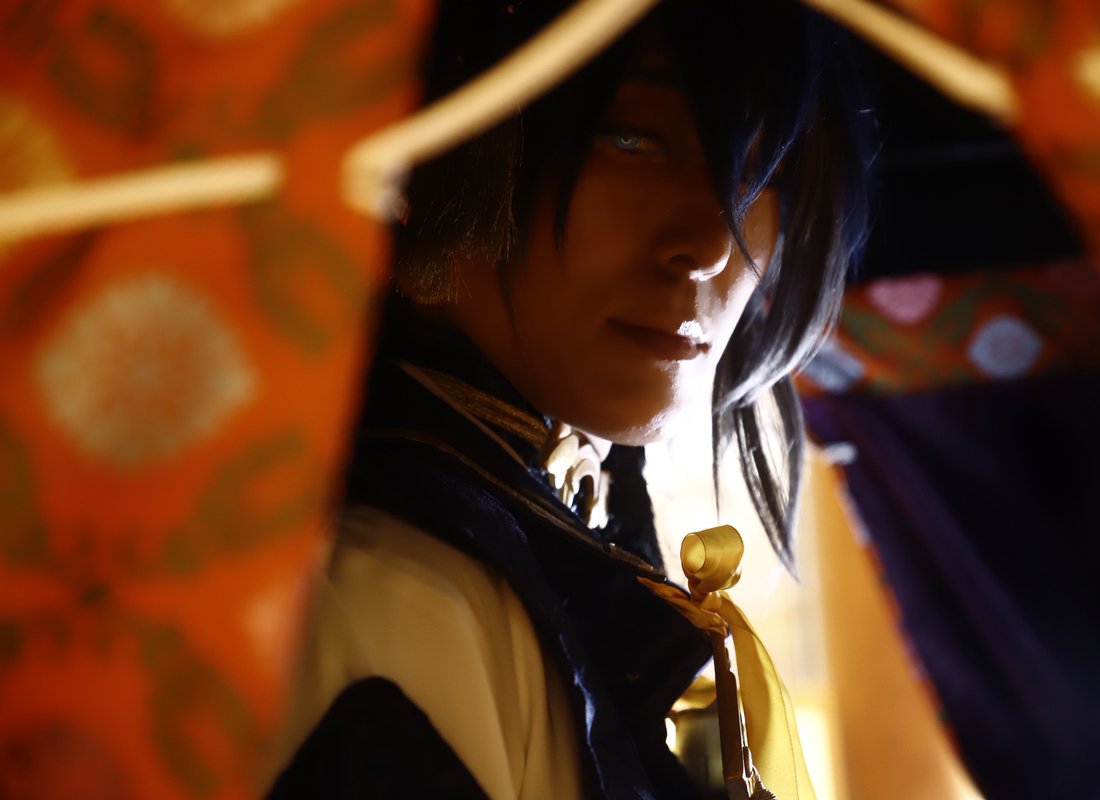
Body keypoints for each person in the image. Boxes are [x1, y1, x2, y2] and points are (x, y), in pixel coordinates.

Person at [269, 0, 868, 797]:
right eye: (632, 139)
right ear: (437, 144)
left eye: (767, 170)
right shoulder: (389, 596)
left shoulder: (524, 554)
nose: (709, 244)